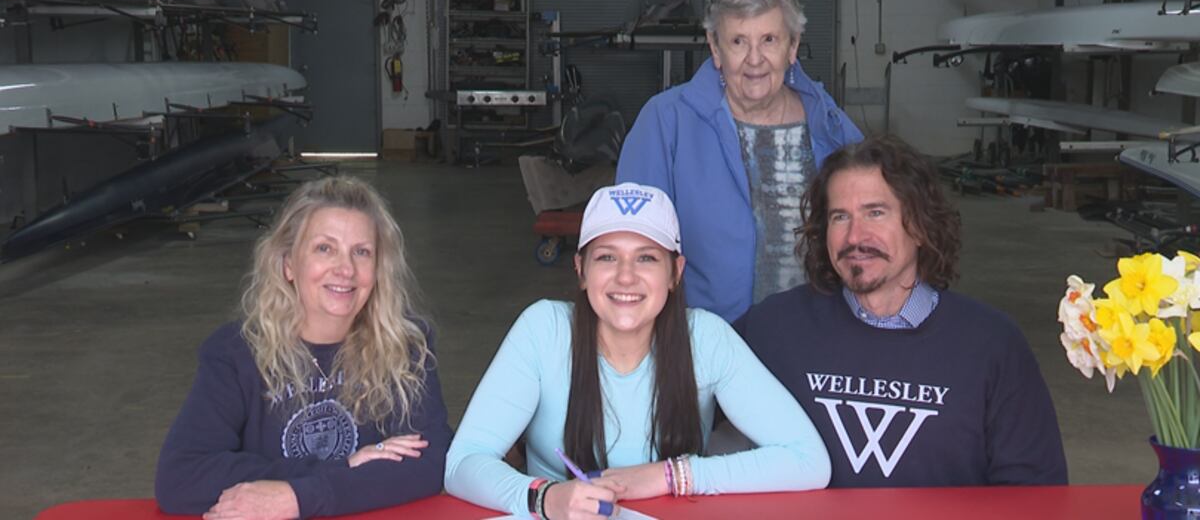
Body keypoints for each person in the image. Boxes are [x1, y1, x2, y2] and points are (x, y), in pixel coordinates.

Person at [444, 182, 831, 518]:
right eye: (607, 257)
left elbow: (808, 460)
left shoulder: (706, 339)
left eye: (646, 257)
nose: (625, 276)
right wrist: (544, 498)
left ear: (675, 273)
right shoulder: (543, 330)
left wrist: (670, 476)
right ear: (580, 270)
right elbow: (463, 461)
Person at [735, 135, 1068, 487]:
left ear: (921, 226)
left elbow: (1035, 493)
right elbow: (681, 396)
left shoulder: (993, 345)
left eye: (875, 213)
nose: (855, 236)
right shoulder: (774, 328)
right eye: (839, 216)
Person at [155, 176, 452, 518]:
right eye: (324, 248)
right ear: (288, 265)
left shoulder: (407, 345)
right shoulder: (235, 353)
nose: (345, 269)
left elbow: (433, 462)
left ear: (378, 269)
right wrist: (342, 470)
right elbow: (180, 478)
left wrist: (297, 498)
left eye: (362, 252)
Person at [616, 0, 864, 323]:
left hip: (815, 343)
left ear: (792, 46)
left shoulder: (830, 123)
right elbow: (630, 245)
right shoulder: (666, 120)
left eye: (769, 40)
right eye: (737, 41)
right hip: (708, 344)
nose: (754, 60)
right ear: (715, 49)